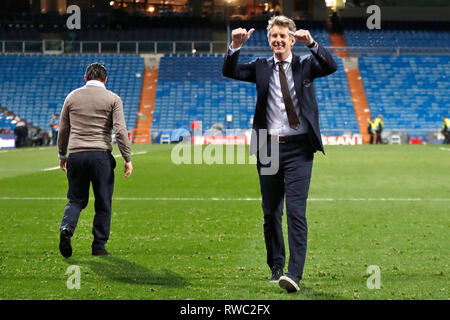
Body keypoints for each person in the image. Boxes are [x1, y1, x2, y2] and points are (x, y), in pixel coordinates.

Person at [222, 15, 337, 293]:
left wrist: (312, 43)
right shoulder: (261, 67)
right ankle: (276, 265)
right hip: (268, 147)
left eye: (283, 36)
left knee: (296, 212)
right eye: (274, 36)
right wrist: (234, 47)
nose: (278, 40)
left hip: (299, 149)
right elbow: (230, 71)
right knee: (271, 213)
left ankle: (294, 274)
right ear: (269, 38)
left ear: (291, 38)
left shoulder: (306, 65)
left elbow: (331, 65)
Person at [57, 63, 133, 258]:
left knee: (75, 199)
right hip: (101, 157)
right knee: (103, 202)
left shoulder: (71, 97)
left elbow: (63, 129)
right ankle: (98, 246)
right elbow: (120, 131)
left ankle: (67, 227)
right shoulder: (113, 99)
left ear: (85, 78)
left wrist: (62, 155)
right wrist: (127, 157)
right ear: (105, 79)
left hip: (76, 155)